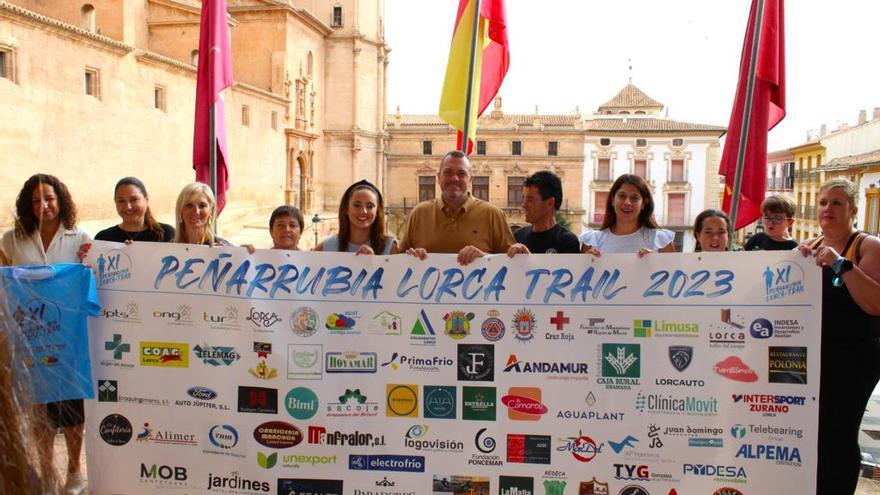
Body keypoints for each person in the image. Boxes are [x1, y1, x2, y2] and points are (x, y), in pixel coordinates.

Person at [0, 174, 91, 494]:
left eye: (50, 198)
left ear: (61, 200)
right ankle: (46, 472)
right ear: (28, 204)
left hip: (67, 338)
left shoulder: (79, 237)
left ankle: (74, 471)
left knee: (72, 408)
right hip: (28, 336)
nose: (44, 206)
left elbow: (90, 274)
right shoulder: (12, 239)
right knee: (38, 406)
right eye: (37, 200)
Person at [796, 178, 880, 495]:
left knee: (839, 435)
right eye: (822, 202)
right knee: (814, 437)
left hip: (855, 361)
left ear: (853, 210)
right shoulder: (809, 248)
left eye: (836, 203)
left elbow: (874, 304)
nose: (827, 209)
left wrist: (841, 264)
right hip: (815, 361)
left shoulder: (867, 246)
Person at [399, 150, 515, 264]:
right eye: (448, 172)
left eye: (462, 174)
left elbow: (511, 263)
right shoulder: (419, 214)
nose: (454, 178)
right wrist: (411, 256)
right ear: (439, 177)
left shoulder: (493, 215)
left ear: (470, 180)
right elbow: (398, 261)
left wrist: (485, 258)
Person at [579, 174, 675, 256]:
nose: (627, 202)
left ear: (644, 204)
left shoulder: (661, 241)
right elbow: (580, 276)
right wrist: (585, 263)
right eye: (622, 196)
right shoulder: (592, 241)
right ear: (612, 200)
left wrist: (657, 263)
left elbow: (677, 276)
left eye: (635, 198)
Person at [507, 171, 580, 256]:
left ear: (550, 203)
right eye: (524, 199)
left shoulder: (567, 241)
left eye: (530, 200)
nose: (523, 205)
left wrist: (529, 259)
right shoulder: (518, 236)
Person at [315, 180, 397, 255]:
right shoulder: (325, 248)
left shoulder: (391, 249)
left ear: (377, 212)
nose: (363, 211)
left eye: (370, 206)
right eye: (357, 205)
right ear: (346, 208)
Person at [95, 177, 174, 243]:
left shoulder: (167, 234)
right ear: (115, 202)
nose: (128, 207)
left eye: (134, 199)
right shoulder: (103, 239)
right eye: (121, 201)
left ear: (146, 199)